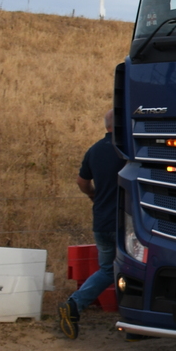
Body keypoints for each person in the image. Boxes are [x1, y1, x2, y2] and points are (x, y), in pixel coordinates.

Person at [59, 110, 122, 339]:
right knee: (135, 268)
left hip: (101, 220)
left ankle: (74, 305)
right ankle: (134, 319)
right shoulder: (127, 149)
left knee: (107, 269)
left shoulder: (94, 150)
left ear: (106, 126)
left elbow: (82, 182)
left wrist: (94, 195)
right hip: (125, 223)